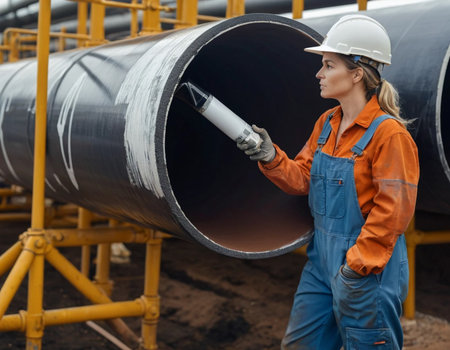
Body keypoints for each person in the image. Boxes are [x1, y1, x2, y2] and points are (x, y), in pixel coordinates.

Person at [237, 14, 419, 350]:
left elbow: (394, 213)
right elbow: (303, 178)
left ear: (356, 73)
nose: (319, 74)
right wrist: (270, 157)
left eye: (328, 65)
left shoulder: (389, 135)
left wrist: (355, 267)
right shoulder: (327, 123)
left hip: (366, 269)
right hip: (322, 264)